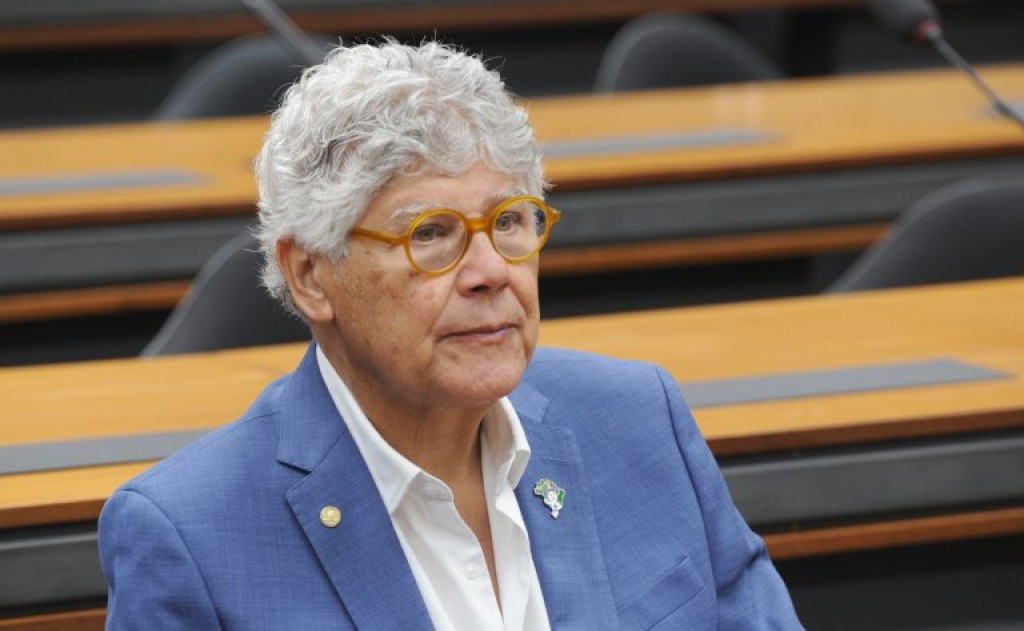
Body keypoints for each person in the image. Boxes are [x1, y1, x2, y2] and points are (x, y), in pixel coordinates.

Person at [98, 39, 802, 630]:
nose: (491, 271)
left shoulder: (640, 419)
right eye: (431, 234)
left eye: (508, 221)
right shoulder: (191, 538)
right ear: (311, 275)